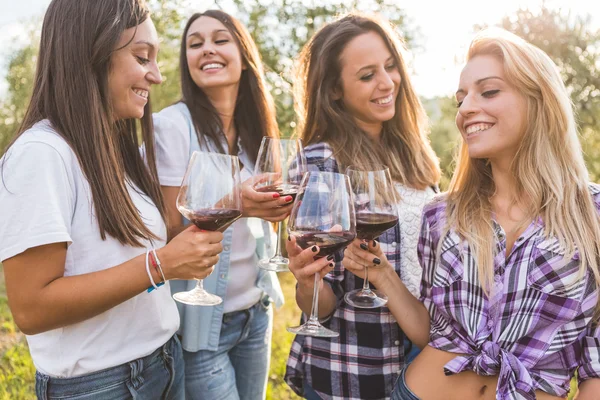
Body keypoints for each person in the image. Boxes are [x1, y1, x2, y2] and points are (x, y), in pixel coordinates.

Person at [0, 0, 225, 398]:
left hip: (163, 362)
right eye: (142, 58)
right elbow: (32, 308)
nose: (155, 76)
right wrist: (161, 265)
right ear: (92, 52)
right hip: (102, 385)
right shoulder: (41, 154)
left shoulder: (114, 150)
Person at [394, 28, 600, 400]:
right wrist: (379, 274)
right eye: (461, 99)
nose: (466, 108)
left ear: (540, 100)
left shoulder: (593, 214)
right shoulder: (440, 215)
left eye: (488, 91)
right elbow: (433, 330)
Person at [284, 12, 441, 400]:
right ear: (335, 90)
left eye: (390, 67)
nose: (387, 83)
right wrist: (307, 282)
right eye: (367, 75)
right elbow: (320, 304)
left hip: (428, 357)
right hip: (357, 368)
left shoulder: (412, 155)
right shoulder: (320, 162)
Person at [152, 10, 289, 400]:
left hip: (256, 311)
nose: (207, 49)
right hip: (201, 323)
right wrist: (237, 203)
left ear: (244, 55)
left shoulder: (255, 130)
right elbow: (168, 231)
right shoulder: (173, 126)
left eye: (220, 39)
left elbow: (266, 222)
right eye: (195, 44)